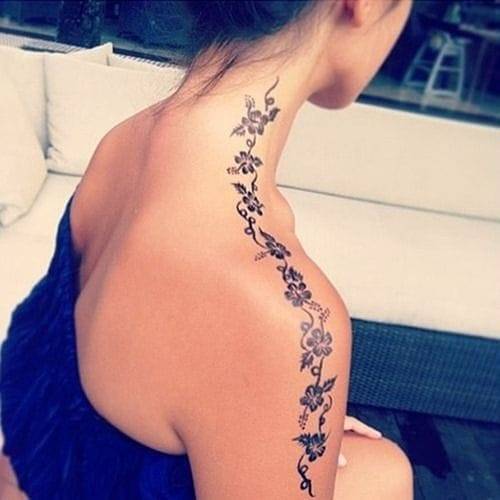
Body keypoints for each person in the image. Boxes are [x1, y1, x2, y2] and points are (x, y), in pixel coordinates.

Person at [0, 0, 415, 498]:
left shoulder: (124, 143)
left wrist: (262, 419)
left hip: (45, 466)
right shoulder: (283, 316)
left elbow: (59, 379)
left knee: (374, 466)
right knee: (387, 473)